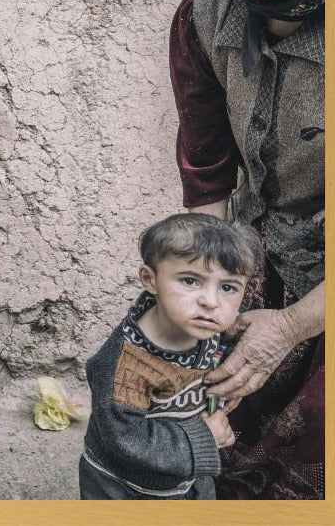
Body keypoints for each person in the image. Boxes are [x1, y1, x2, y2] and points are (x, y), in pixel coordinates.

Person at [169, 0, 325, 499]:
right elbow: (207, 170)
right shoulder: (204, 16)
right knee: (200, 412)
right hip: (259, 247)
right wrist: (207, 291)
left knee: (315, 454)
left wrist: (290, 327)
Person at [80, 213, 262, 500]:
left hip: (185, 480)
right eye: (190, 281)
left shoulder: (204, 326)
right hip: (125, 489)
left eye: (228, 287)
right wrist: (204, 438)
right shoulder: (127, 365)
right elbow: (123, 437)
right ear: (149, 279)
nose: (211, 301)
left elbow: (212, 363)